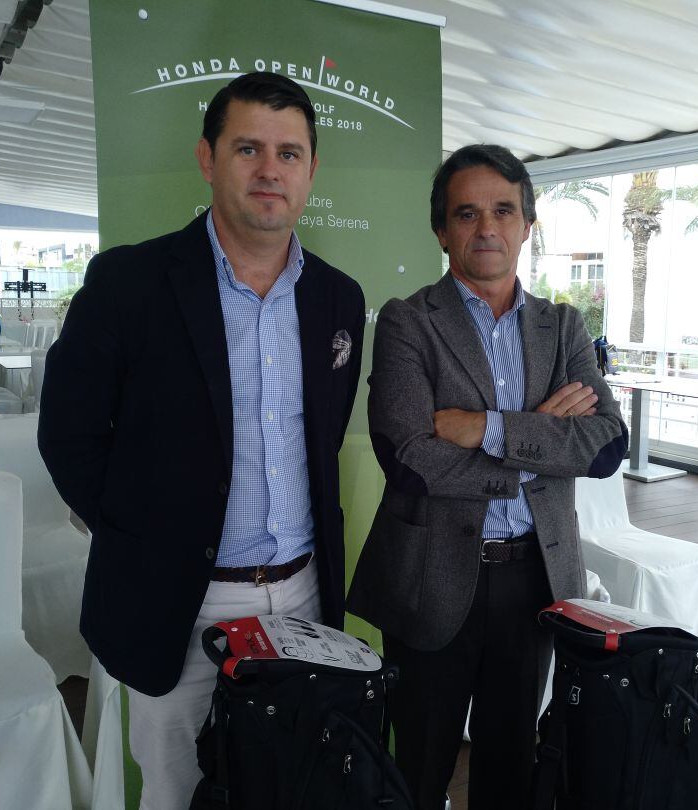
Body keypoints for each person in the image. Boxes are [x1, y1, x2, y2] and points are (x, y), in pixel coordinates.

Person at [38, 72, 365, 810]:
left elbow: (322, 436)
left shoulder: (338, 297)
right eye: (247, 147)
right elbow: (68, 434)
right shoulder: (129, 282)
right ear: (207, 157)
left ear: (312, 169)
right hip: (183, 607)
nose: (268, 169)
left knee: (293, 784)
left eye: (289, 152)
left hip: (306, 595)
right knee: (177, 790)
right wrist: (140, 537)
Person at [347, 144, 627, 809]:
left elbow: (606, 445)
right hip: (432, 576)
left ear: (528, 223)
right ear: (442, 231)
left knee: (512, 763)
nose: (486, 228)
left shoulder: (563, 328)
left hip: (536, 575)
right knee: (418, 762)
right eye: (466, 214)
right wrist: (539, 442)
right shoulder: (408, 322)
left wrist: (488, 427)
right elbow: (411, 462)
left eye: (503, 210)